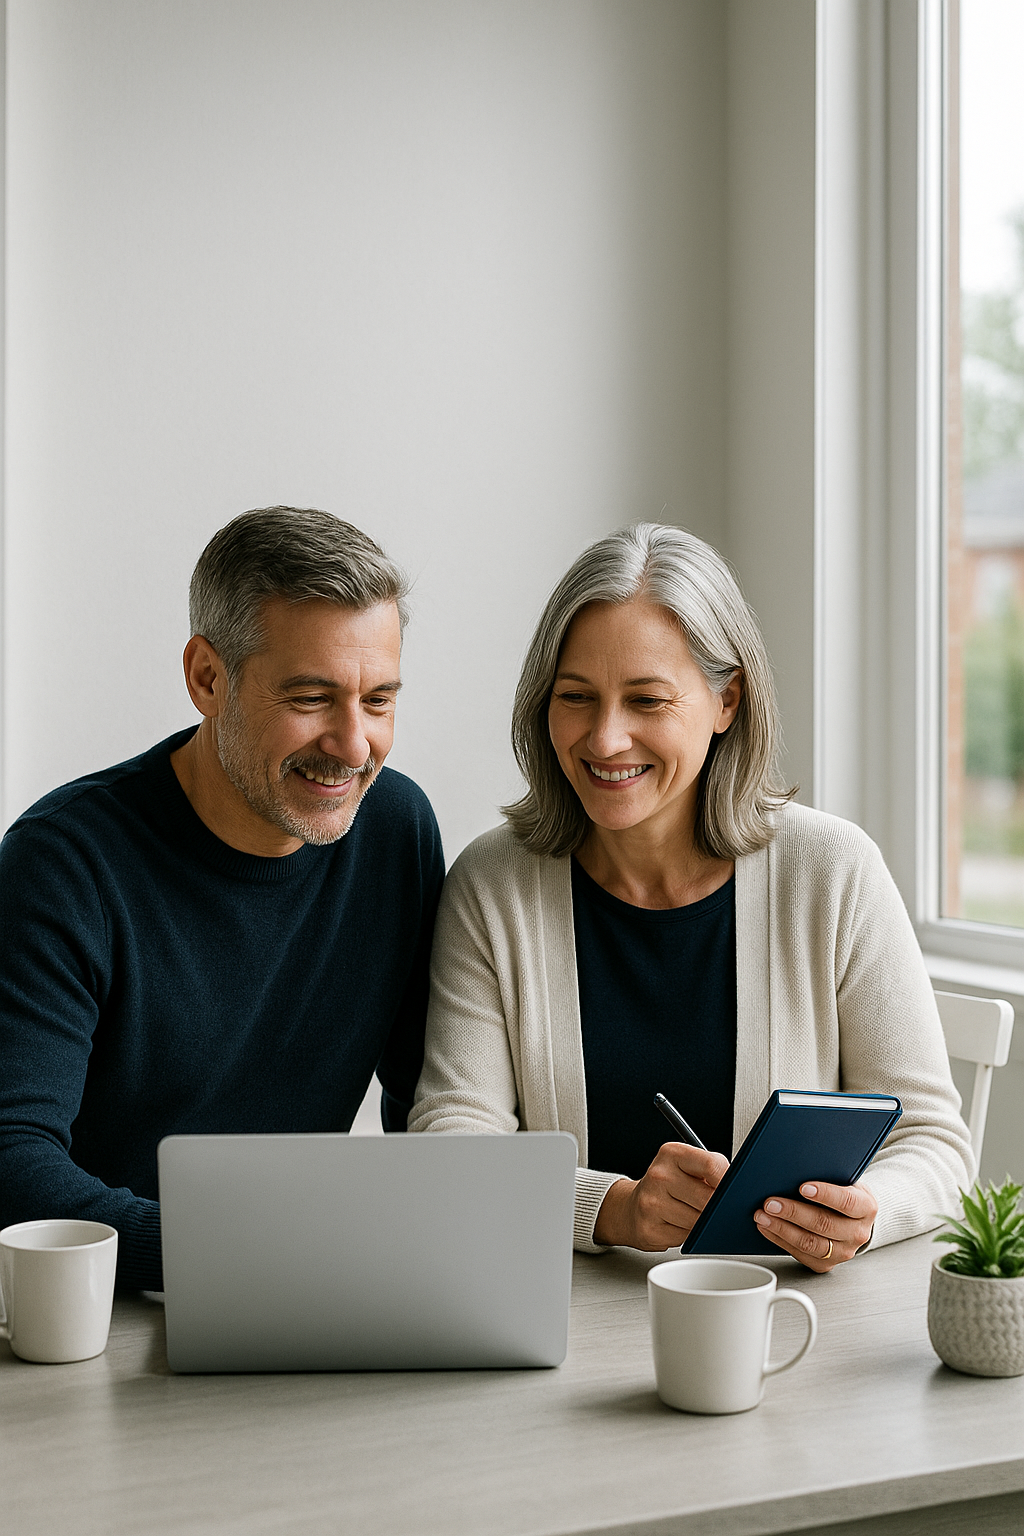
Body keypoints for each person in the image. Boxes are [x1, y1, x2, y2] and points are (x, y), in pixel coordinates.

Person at [410, 523, 974, 1270]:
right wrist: (614, 1208)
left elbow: (933, 1143)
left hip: (787, 1314)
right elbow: (453, 1145)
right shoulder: (492, 885)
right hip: (564, 1314)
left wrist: (864, 1215)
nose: (605, 739)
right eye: (576, 697)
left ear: (726, 701)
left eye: (646, 700)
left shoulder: (833, 872)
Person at [0, 506, 444, 1291]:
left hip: (302, 1294)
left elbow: (426, 1109)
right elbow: (13, 1164)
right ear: (208, 678)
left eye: (378, 700)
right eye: (310, 697)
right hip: (106, 1309)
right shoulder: (64, 862)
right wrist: (243, 1255)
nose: (353, 745)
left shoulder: (396, 831)